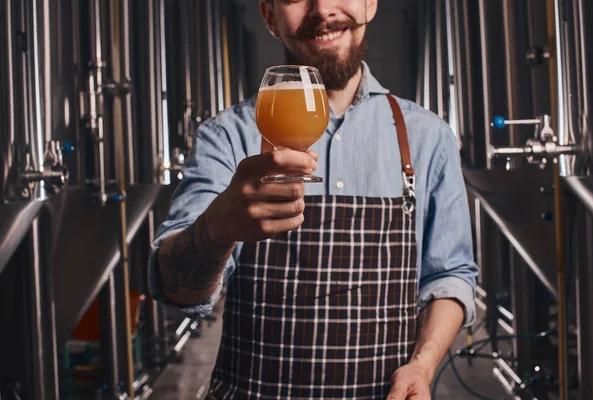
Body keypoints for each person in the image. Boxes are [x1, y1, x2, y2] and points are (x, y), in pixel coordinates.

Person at [149, 0, 478, 398]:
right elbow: (174, 289)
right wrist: (214, 230)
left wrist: (422, 366)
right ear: (270, 16)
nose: (322, 9)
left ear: (370, 3)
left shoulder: (428, 139)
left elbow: (449, 277)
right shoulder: (227, 138)